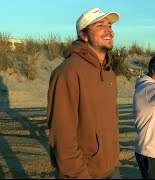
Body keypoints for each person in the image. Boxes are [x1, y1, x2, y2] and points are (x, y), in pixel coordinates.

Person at [47, 7, 121, 179]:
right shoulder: (68, 71)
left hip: (111, 169)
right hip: (84, 173)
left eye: (109, 25)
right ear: (84, 35)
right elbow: (62, 134)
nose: (109, 30)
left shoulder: (110, 73)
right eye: (99, 25)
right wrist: (78, 174)